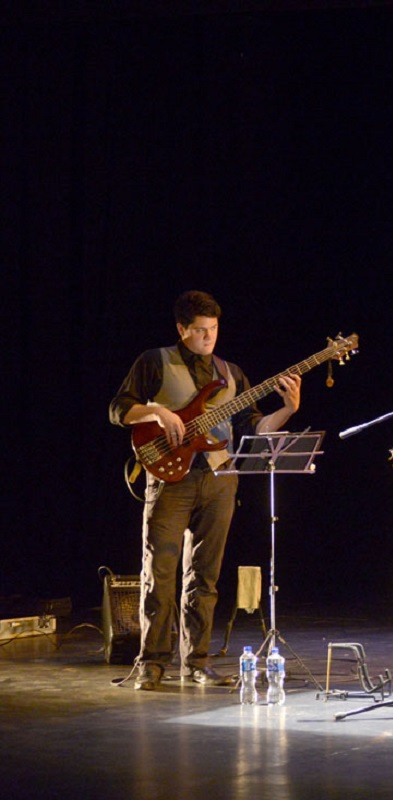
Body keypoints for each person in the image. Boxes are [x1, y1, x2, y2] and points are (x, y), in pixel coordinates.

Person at [109, 291, 301, 690]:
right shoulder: (154, 360)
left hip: (220, 478)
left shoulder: (230, 373)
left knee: (206, 577)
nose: (208, 337)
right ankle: (153, 663)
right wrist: (158, 412)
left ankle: (196, 662)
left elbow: (255, 429)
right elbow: (118, 410)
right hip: (169, 478)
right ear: (182, 329)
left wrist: (287, 411)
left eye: (213, 330)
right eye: (199, 330)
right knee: (159, 572)